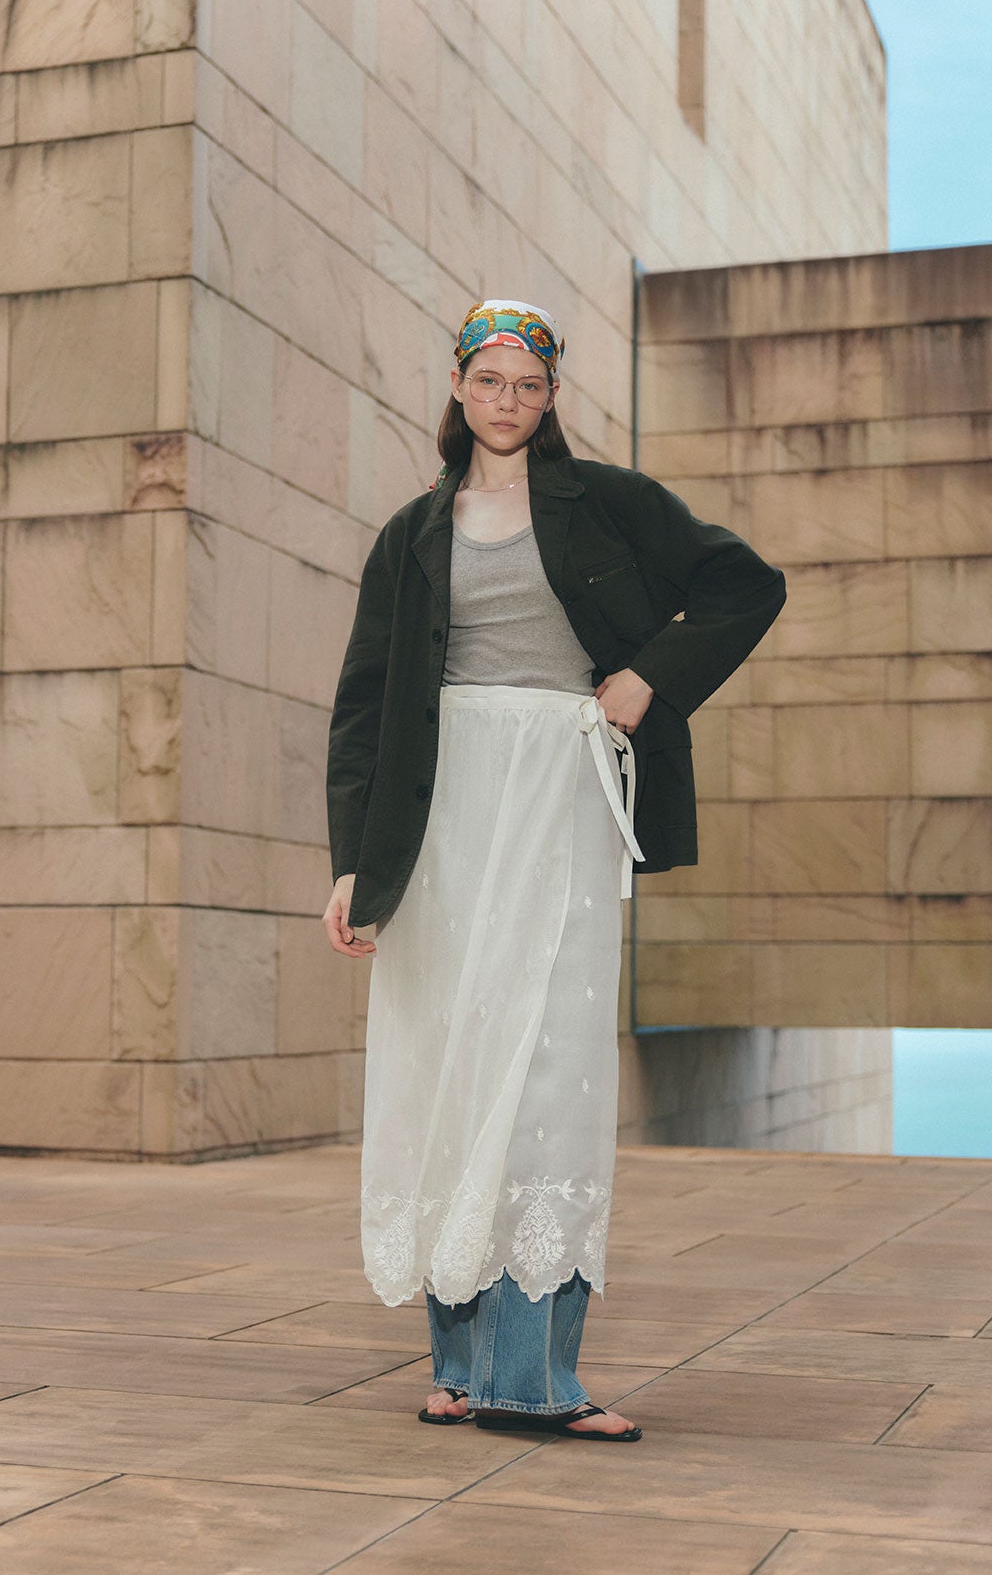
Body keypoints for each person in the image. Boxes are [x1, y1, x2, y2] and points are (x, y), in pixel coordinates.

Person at [323, 298, 786, 1441]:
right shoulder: (410, 534)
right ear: (456, 384)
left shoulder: (608, 504)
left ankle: (530, 1377)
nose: (506, 401)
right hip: (436, 810)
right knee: (445, 1057)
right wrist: (352, 867)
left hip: (561, 789)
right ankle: (458, 1365)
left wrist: (648, 677)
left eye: (527, 384)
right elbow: (365, 705)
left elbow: (745, 584)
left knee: (543, 1062)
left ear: (550, 396)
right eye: (488, 380)